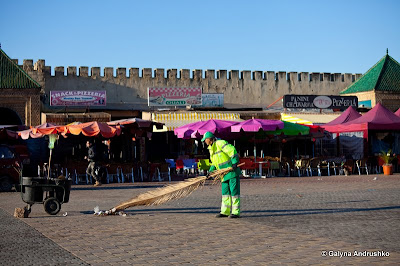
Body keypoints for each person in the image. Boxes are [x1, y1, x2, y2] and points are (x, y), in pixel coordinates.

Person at [201, 131, 241, 218]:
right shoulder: (211, 149)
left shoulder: (220, 143)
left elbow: (232, 150)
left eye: (205, 140)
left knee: (234, 192)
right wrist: (210, 171)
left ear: (209, 139)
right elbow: (214, 163)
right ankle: (225, 211)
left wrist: (234, 162)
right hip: (223, 174)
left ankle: (235, 212)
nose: (204, 142)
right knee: (225, 193)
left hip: (232, 172)